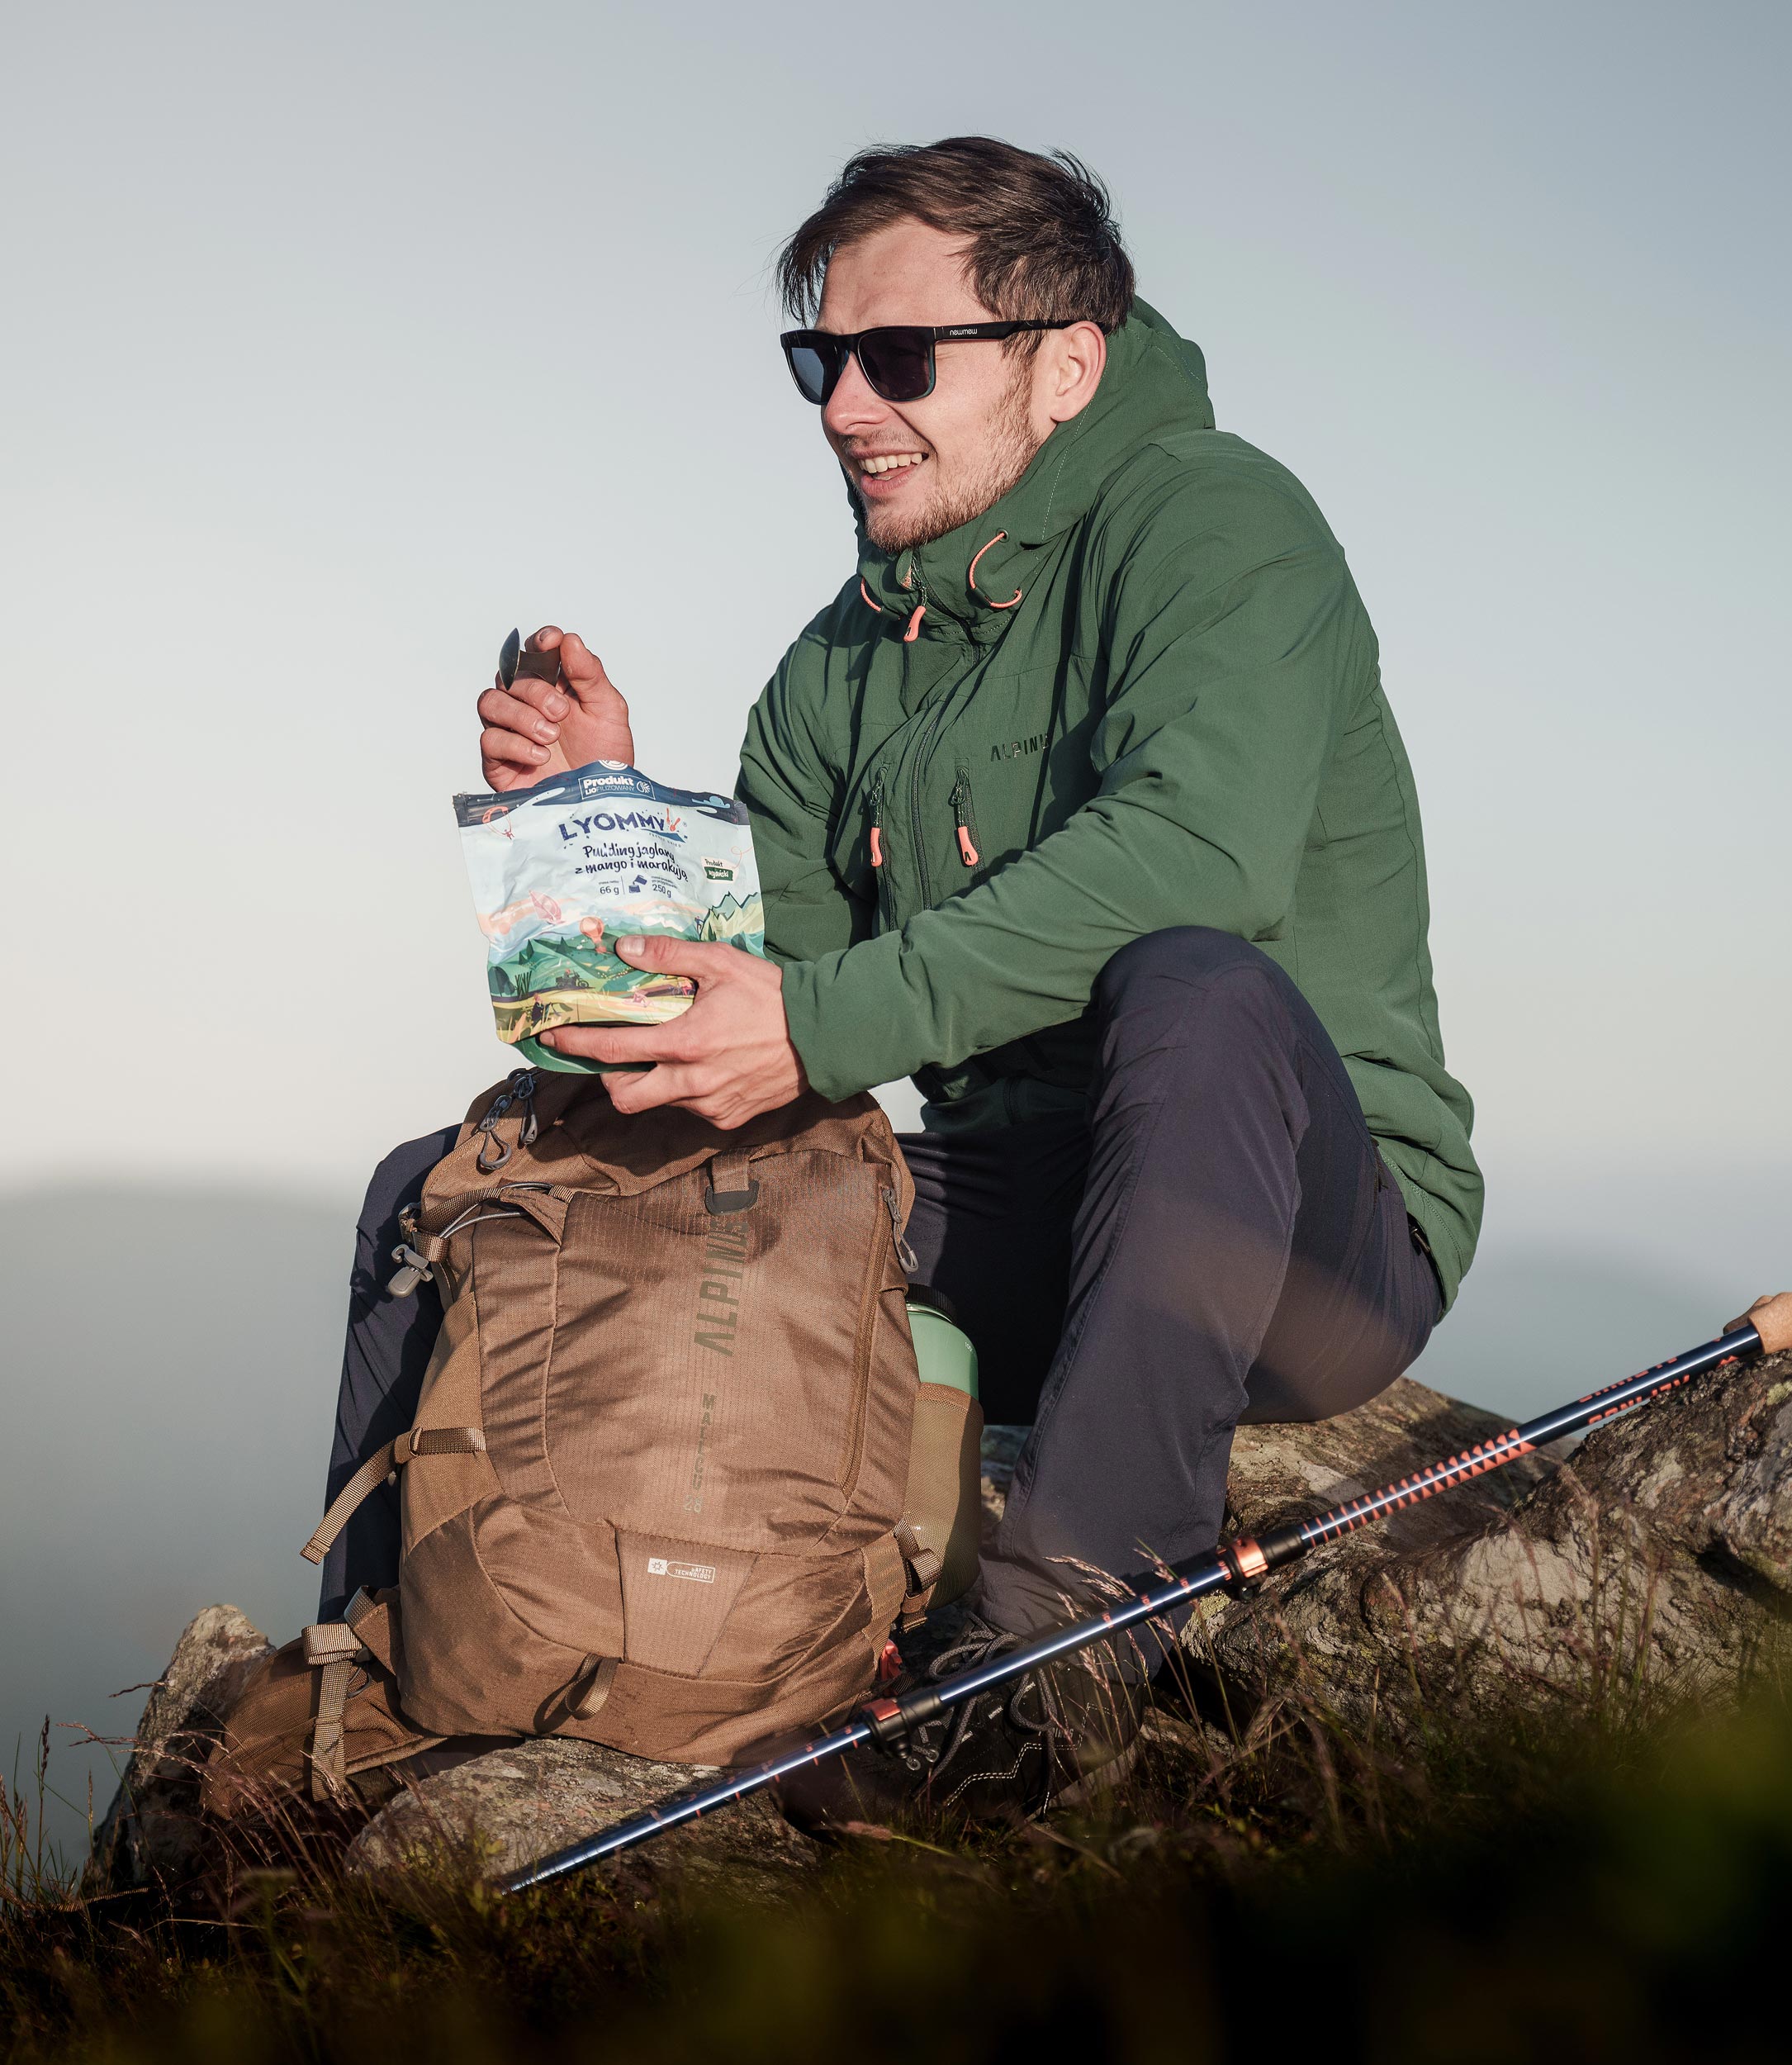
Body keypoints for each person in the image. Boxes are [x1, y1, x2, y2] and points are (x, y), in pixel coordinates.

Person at [325, 136, 1481, 1825]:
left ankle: (1049, 1663)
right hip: (1018, 1211)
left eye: (896, 357)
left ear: (1063, 361)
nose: (841, 405)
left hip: (1302, 1236)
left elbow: (1197, 861)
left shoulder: (1221, 526)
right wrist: (611, 824)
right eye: (821, 359)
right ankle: (388, 1682)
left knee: (1192, 983)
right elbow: (766, 996)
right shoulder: (835, 664)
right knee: (446, 1194)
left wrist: (807, 1020)